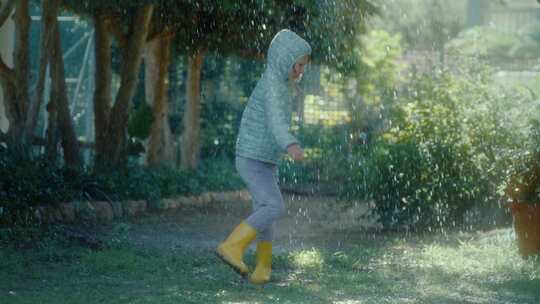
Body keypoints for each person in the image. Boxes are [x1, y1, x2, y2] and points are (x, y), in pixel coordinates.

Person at [216, 29, 311, 284]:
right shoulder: (272, 85)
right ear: (285, 59)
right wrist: (289, 143)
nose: (301, 70)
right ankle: (232, 246)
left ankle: (262, 269)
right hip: (252, 158)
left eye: (303, 65)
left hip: (264, 159)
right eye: (299, 64)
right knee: (274, 206)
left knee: (264, 210)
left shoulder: (279, 82)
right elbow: (276, 122)